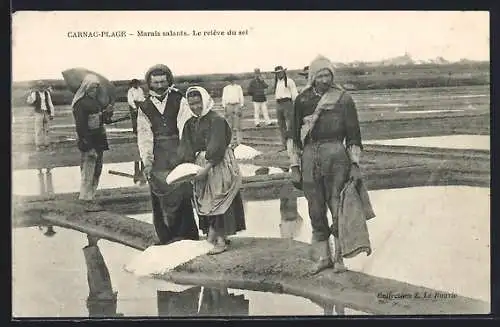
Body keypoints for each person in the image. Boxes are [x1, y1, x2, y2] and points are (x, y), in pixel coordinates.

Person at [288, 55, 363, 275]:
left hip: (337, 156)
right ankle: (323, 257)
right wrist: (294, 166)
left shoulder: (343, 99)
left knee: (338, 205)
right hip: (310, 155)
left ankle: (339, 258)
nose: (324, 79)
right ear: (312, 77)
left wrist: (355, 164)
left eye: (327, 74)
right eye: (319, 75)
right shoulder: (302, 100)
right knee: (315, 208)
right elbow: (293, 135)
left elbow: (354, 135)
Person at [177, 86, 246, 255]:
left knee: (218, 198)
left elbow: (217, 147)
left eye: (198, 102)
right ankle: (212, 235)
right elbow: (185, 147)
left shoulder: (216, 120)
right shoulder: (190, 123)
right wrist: (188, 167)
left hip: (218, 164)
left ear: (205, 100)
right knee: (204, 200)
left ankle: (221, 240)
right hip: (200, 164)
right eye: (191, 104)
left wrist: (206, 168)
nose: (195, 107)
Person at [137, 64, 199, 245]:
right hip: (158, 154)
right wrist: (147, 161)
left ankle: (187, 235)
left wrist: (185, 154)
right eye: (155, 82)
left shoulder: (179, 100)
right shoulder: (145, 106)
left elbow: (185, 127)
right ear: (150, 83)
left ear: (168, 81)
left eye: (163, 81)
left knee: (181, 192)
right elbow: (144, 135)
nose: (159, 85)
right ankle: (165, 236)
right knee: (160, 194)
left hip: (177, 150)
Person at [72, 74, 111, 212]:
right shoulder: (80, 104)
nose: (94, 90)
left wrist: (107, 114)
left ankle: (91, 196)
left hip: (99, 138)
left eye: (96, 88)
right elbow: (81, 126)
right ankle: (85, 198)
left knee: (97, 168)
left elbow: (104, 121)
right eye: (92, 88)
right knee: (88, 167)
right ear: (86, 88)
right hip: (89, 139)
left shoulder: (97, 102)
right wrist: (88, 144)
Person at [83, 234, 123, 317]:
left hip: (102, 301)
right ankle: (92, 243)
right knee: (100, 271)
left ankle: (92, 242)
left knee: (97, 272)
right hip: (103, 301)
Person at [272, 65, 298, 151]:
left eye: (280, 73)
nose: (279, 75)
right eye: (277, 73)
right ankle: (284, 145)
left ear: (283, 72)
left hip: (287, 103)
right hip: (279, 104)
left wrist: (295, 104)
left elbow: (294, 94)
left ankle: (293, 144)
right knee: (281, 124)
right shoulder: (276, 83)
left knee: (290, 124)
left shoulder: (290, 81)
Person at [127, 79, 147, 185]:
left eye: (137, 84)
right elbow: (130, 100)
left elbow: (142, 97)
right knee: (134, 119)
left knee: (142, 119)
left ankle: (141, 129)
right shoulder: (131, 91)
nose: (136, 85)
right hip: (134, 104)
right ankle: (135, 131)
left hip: (140, 103)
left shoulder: (140, 90)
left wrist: (143, 104)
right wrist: (134, 107)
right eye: (134, 84)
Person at [26, 80, 55, 151]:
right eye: (39, 87)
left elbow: (50, 103)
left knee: (47, 129)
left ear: (44, 87)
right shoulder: (34, 93)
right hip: (38, 113)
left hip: (46, 113)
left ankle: (47, 145)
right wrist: (29, 95)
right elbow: (30, 102)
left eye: (42, 86)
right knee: (39, 130)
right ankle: (39, 145)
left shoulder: (47, 93)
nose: (41, 88)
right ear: (37, 87)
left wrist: (52, 114)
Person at [221, 75, 245, 146]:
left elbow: (241, 96)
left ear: (235, 80)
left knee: (238, 125)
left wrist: (241, 106)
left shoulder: (238, 87)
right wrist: (224, 107)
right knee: (229, 125)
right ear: (228, 81)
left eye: (233, 80)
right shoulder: (226, 88)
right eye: (230, 80)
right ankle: (230, 142)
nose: (231, 81)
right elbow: (224, 98)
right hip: (229, 106)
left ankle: (239, 141)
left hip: (236, 105)